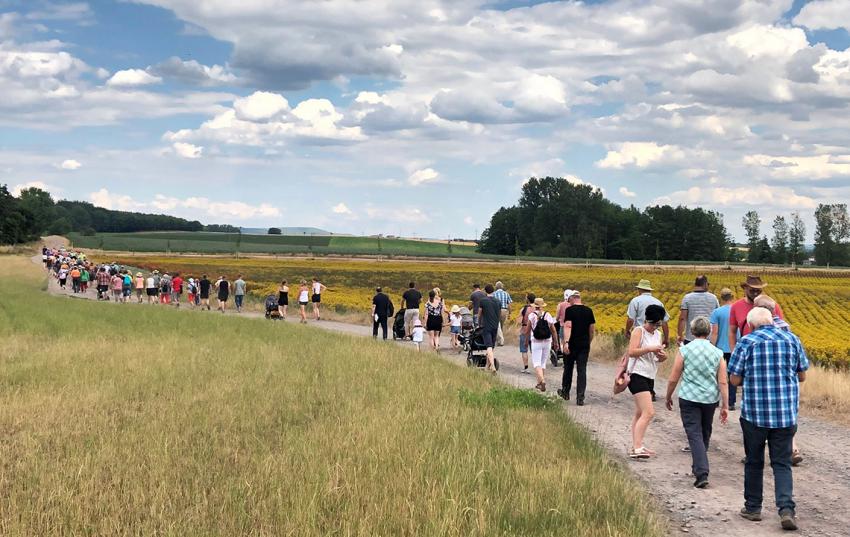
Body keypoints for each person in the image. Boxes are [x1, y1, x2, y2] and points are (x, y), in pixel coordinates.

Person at [728, 307, 808, 531]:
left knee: (754, 461)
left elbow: (734, 379)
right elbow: (802, 375)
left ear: (751, 325)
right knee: (782, 463)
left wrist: (752, 379)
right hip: (785, 414)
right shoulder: (792, 339)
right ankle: (786, 509)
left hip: (755, 414)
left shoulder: (747, 342)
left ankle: (753, 508)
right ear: (772, 321)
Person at [664, 316, 729, 489]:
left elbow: (673, 377)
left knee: (694, 434)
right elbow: (722, 381)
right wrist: (725, 404)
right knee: (705, 431)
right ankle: (699, 465)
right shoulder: (718, 353)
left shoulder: (685, 350)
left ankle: (701, 472)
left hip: (689, 397)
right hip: (709, 399)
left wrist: (668, 395)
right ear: (708, 332)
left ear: (692, 332)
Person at [753, 294, 803, 466]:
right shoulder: (785, 327)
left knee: (765, 419)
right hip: (787, 380)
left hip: (767, 379)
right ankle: (792, 448)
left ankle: (782, 451)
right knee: (787, 415)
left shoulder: (758, 328)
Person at [626, 304, 668, 459]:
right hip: (637, 374)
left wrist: (662, 356)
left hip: (650, 375)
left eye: (658, 324)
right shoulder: (639, 331)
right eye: (653, 324)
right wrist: (650, 349)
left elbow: (657, 357)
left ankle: (638, 444)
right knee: (649, 412)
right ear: (647, 320)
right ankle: (637, 448)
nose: (655, 327)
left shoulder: (657, 334)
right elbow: (631, 352)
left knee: (639, 412)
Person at [626, 279, 669, 401]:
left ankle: (649, 390)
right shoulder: (659, 302)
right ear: (649, 290)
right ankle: (645, 388)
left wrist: (626, 330)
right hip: (641, 334)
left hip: (649, 368)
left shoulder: (635, 301)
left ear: (639, 289)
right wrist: (666, 337)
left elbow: (630, 319)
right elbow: (665, 322)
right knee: (647, 412)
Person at [728, 275, 785, 352]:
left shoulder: (772, 305)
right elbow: (732, 332)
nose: (755, 293)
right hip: (746, 350)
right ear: (745, 288)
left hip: (769, 350)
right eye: (752, 290)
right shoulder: (736, 306)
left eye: (758, 291)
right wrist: (733, 351)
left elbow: (782, 330)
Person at [558, 291, 595, 406]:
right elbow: (592, 329)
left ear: (573, 298)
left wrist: (566, 342)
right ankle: (580, 397)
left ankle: (565, 392)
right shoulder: (589, 311)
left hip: (572, 344)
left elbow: (568, 326)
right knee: (582, 370)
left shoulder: (570, 310)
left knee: (568, 368)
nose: (568, 302)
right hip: (584, 344)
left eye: (569, 300)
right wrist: (588, 341)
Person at [709, 288, 735, 409]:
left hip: (720, 349)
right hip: (734, 347)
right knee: (732, 375)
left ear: (721, 298)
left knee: (717, 375)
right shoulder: (737, 310)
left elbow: (714, 332)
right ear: (732, 297)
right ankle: (731, 402)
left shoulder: (717, 312)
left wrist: (711, 347)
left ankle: (715, 400)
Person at [526, 297, 558, 392]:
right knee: (543, 363)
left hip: (536, 341)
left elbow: (527, 331)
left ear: (535, 306)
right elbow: (553, 330)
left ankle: (542, 381)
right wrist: (555, 342)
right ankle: (539, 383)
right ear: (542, 306)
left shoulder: (532, 316)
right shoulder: (548, 315)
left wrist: (526, 341)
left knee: (536, 363)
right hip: (547, 341)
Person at [677, 275, 719, 346]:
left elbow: (682, 318)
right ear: (705, 284)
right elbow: (717, 318)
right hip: (708, 337)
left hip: (691, 337)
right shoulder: (713, 298)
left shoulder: (687, 298)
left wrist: (680, 335)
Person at [478, 284, 502, 373]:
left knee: (488, 347)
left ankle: (492, 367)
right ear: (493, 291)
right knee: (491, 347)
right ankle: (486, 367)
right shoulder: (498, 301)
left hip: (486, 326)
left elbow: (479, 314)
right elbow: (499, 314)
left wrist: (478, 323)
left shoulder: (483, 301)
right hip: (495, 326)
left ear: (485, 291)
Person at [518, 293, 536, 374]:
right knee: (535, 350)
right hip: (535, 331)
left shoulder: (524, 309)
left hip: (524, 330)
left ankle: (526, 367)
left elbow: (519, 321)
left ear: (528, 300)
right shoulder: (537, 308)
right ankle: (537, 367)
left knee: (524, 350)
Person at [492, 281, 512, 346]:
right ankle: (500, 340)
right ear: (502, 286)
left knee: (496, 325)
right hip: (504, 310)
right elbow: (509, 304)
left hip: (496, 310)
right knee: (501, 325)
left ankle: (498, 340)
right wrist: (509, 313)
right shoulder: (506, 293)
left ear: (496, 287)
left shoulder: (494, 294)